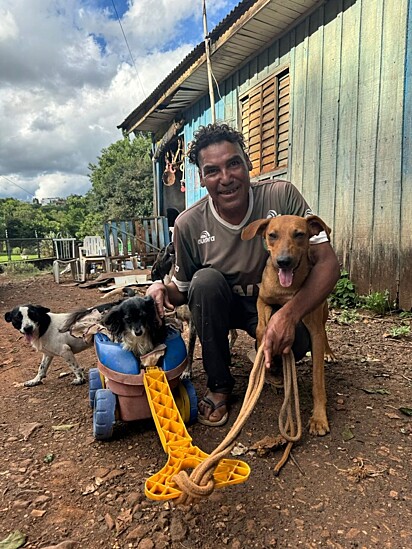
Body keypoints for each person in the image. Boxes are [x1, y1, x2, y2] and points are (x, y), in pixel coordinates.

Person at [147, 123, 340, 426]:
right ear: (201, 178)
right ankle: (220, 386)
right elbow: (182, 289)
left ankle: (273, 362)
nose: (225, 178)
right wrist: (160, 289)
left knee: (301, 337)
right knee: (205, 282)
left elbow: (328, 264)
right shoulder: (188, 224)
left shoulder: (282, 196)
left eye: (233, 163)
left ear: (248, 163)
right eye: (212, 170)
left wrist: (287, 317)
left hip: (274, 302)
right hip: (224, 305)